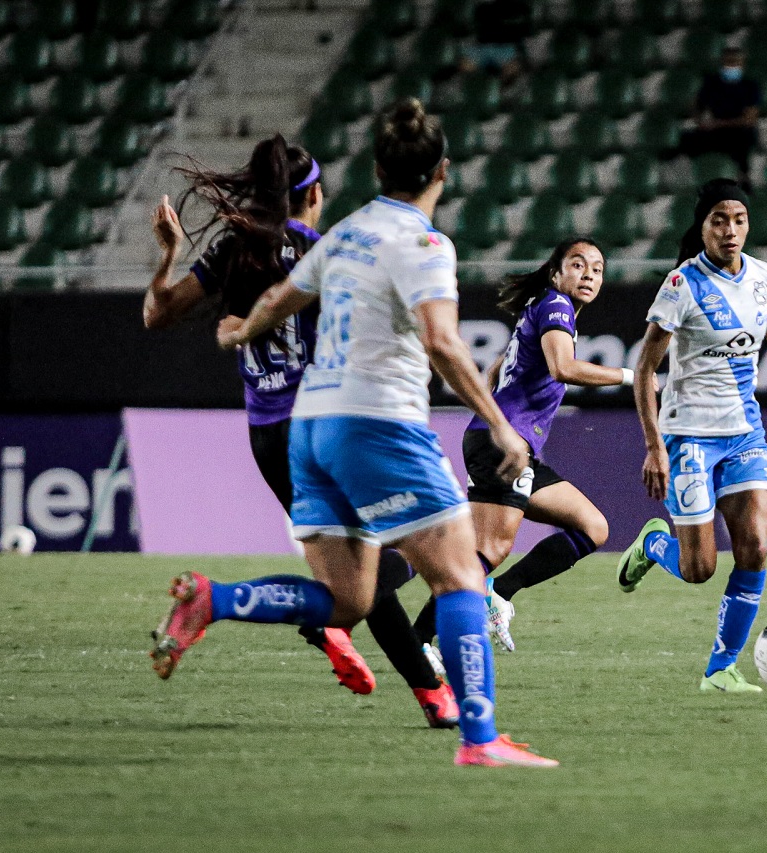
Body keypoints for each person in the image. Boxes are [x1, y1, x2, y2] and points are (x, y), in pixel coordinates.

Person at [150, 98, 557, 767]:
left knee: (348, 601)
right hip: (378, 422)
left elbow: (280, 297)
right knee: (461, 577)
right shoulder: (425, 245)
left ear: (376, 170)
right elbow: (443, 343)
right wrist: (499, 426)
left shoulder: (346, 234)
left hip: (310, 430)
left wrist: (241, 331)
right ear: (442, 173)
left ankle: (213, 600)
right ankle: (480, 740)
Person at [142, 134, 457, 728]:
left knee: (360, 574)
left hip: (269, 438)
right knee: (408, 561)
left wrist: (169, 254)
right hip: (327, 426)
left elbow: (157, 314)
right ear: (312, 196)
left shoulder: (232, 250)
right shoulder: (324, 251)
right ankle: (410, 678)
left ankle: (419, 687)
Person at [615, 178, 767, 693]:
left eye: (739, 220)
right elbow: (645, 370)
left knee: (754, 547)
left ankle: (720, 670)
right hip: (689, 436)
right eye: (719, 220)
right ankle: (654, 545)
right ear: (703, 226)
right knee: (699, 569)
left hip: (744, 433)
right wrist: (654, 446)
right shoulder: (681, 286)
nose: (730, 230)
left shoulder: (765, 278)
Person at [410, 238, 646, 653]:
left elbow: (499, 367)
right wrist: (633, 376)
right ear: (556, 273)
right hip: (506, 445)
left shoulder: (541, 306)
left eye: (597, 268)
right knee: (488, 551)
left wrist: (495, 402)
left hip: (509, 443)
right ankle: (418, 641)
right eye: (578, 265)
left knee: (592, 526)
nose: (589, 274)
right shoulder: (557, 306)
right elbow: (563, 367)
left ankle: (497, 593)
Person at [678, 46, 762, 186]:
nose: (731, 65)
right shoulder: (712, 83)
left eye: (735, 62)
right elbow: (697, 107)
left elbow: (749, 120)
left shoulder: (750, 86)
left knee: (742, 140)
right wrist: (700, 120)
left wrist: (718, 123)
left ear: (742, 64)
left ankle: (743, 178)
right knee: (687, 139)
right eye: (728, 61)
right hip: (716, 130)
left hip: (739, 130)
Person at [458, 0, 532, 86]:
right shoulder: (482, 9)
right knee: (465, 67)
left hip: (506, 49)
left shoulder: (520, 9)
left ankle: (499, 90)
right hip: (481, 49)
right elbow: (473, 30)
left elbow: (526, 32)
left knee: (513, 69)